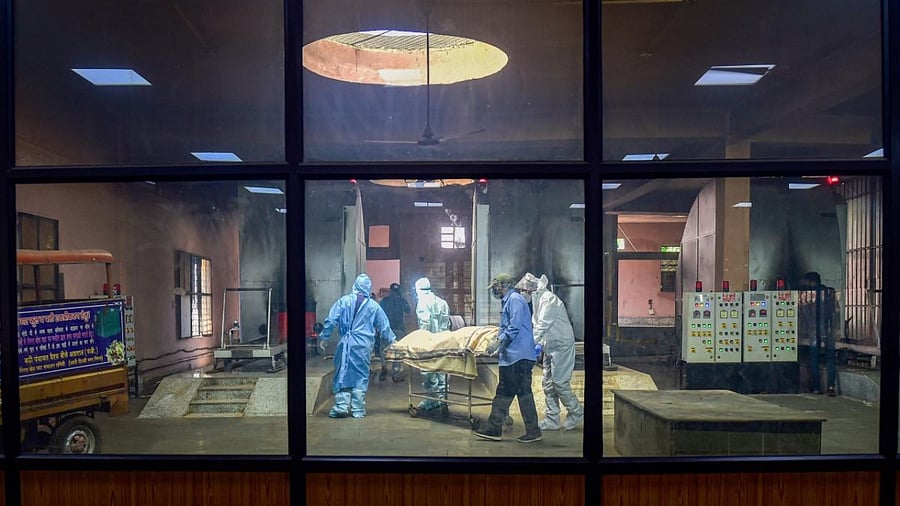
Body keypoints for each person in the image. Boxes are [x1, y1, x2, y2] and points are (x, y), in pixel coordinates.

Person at [474, 273, 542, 443]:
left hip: (516, 357)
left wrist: (499, 342)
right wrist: (498, 343)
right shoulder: (510, 301)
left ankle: (494, 428)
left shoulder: (515, 300)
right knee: (524, 393)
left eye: (495, 287)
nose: (494, 290)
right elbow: (508, 327)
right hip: (519, 355)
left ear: (502, 285)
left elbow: (514, 326)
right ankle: (533, 431)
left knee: (504, 392)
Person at [318, 273, 397, 418]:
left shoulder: (343, 302)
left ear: (355, 285)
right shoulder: (373, 306)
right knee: (361, 376)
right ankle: (358, 409)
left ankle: (341, 406)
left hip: (346, 344)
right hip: (363, 346)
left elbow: (331, 320)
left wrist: (324, 337)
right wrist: (393, 341)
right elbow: (384, 326)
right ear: (368, 288)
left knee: (342, 373)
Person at [517, 272, 584, 431]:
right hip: (549, 345)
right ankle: (552, 419)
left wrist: (528, 345)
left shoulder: (549, 299)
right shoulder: (538, 299)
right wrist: (539, 345)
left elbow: (542, 326)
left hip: (562, 345)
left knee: (559, 382)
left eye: (523, 291)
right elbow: (538, 325)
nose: (522, 293)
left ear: (532, 289)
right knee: (547, 384)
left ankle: (576, 411)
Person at [413, 277, 451, 411]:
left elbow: (425, 324)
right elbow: (447, 324)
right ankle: (443, 398)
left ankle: (432, 399)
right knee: (442, 370)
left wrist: (422, 342)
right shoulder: (442, 302)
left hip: (429, 343)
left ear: (418, 289)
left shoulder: (422, 303)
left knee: (428, 371)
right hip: (443, 342)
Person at [799, 271, 838, 396]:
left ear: (811, 281)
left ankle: (816, 387)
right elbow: (835, 311)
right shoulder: (830, 292)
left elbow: (806, 312)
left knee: (814, 358)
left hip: (814, 331)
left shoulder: (809, 294)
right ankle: (831, 387)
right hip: (829, 330)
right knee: (830, 358)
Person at [379, 282, 411, 382]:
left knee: (384, 349)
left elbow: (379, 312)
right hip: (398, 329)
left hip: (387, 329)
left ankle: (384, 368)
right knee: (397, 350)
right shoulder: (401, 300)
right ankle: (395, 373)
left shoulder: (385, 300)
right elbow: (408, 310)